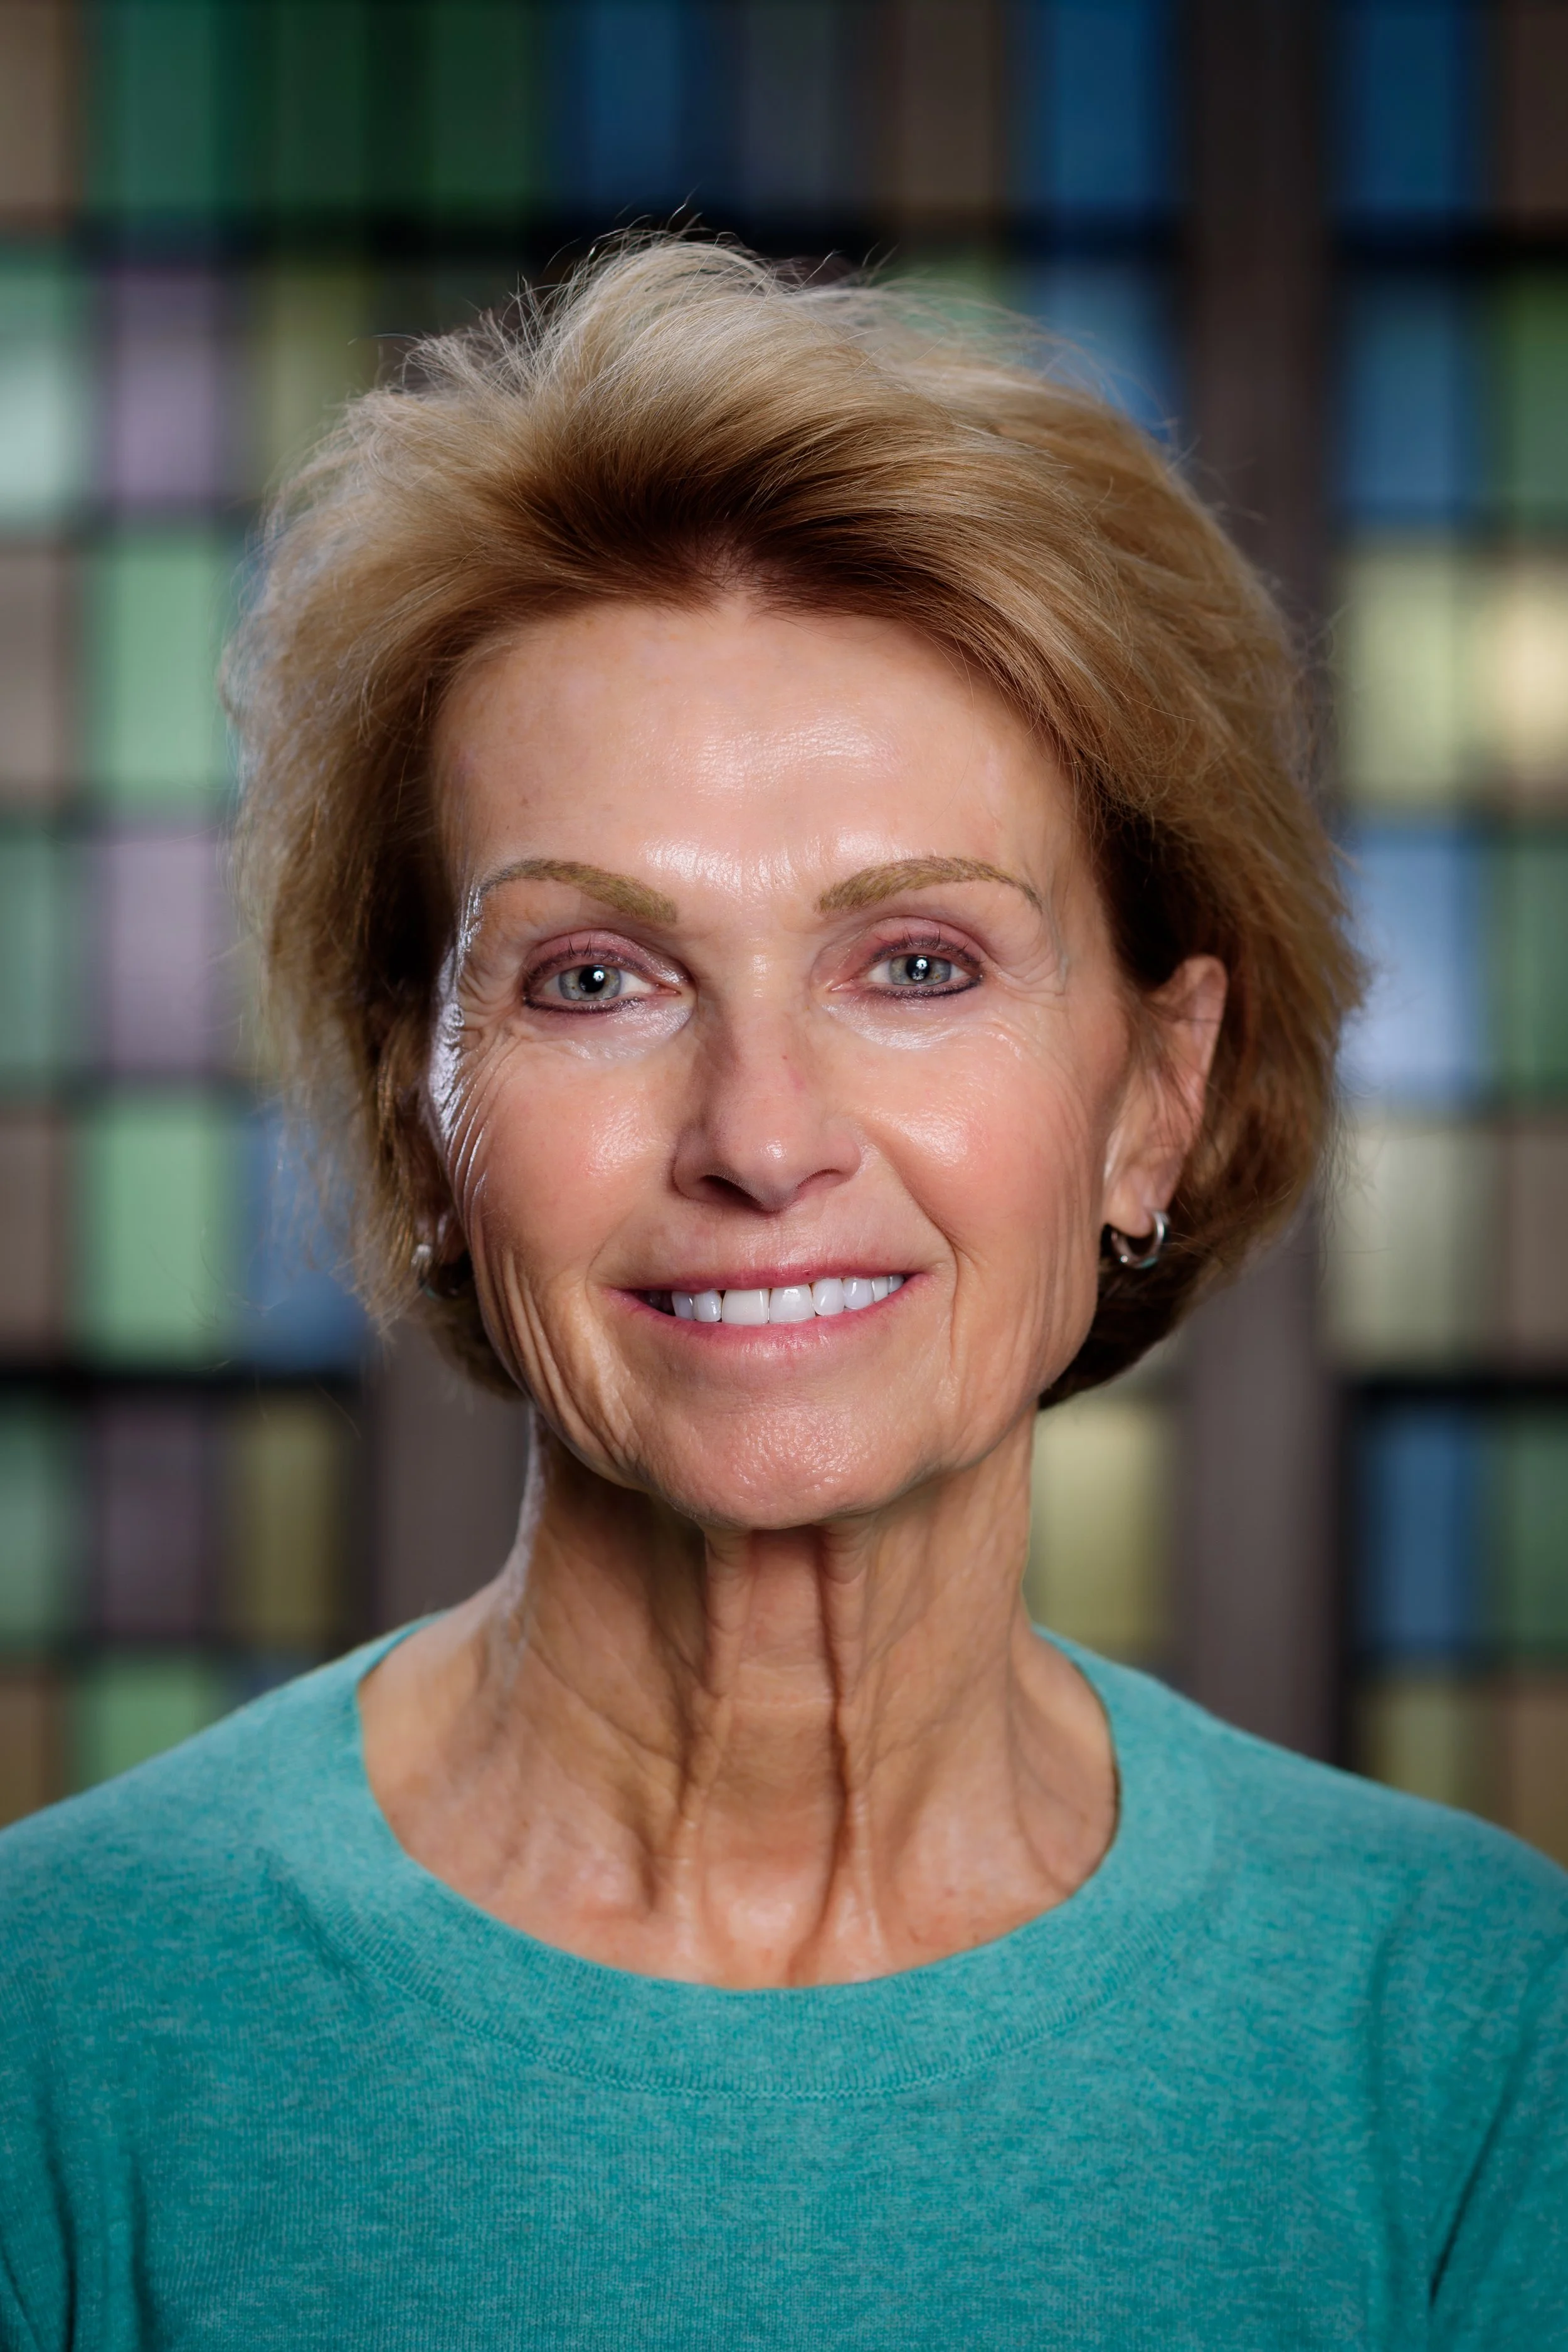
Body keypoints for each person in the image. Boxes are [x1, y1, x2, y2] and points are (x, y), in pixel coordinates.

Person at [1, 240, 1564, 2349]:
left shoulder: (1470, 2038)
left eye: (917, 964)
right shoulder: (57, 2023)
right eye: (594, 977)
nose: (761, 1132)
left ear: (1152, 1095)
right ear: (427, 1113)